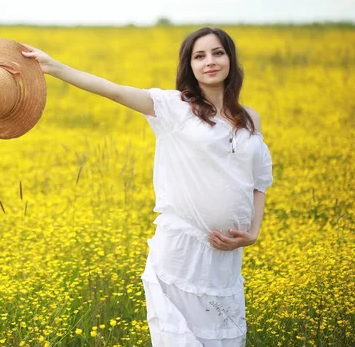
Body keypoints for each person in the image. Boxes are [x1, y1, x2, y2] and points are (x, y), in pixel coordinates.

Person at [21, 27, 273, 347]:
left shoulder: (250, 118)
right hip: (181, 255)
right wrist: (53, 66)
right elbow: (113, 90)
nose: (210, 61)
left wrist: (253, 233)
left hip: (224, 263)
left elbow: (259, 180)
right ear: (189, 66)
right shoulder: (173, 108)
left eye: (217, 53)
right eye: (199, 56)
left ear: (230, 59)